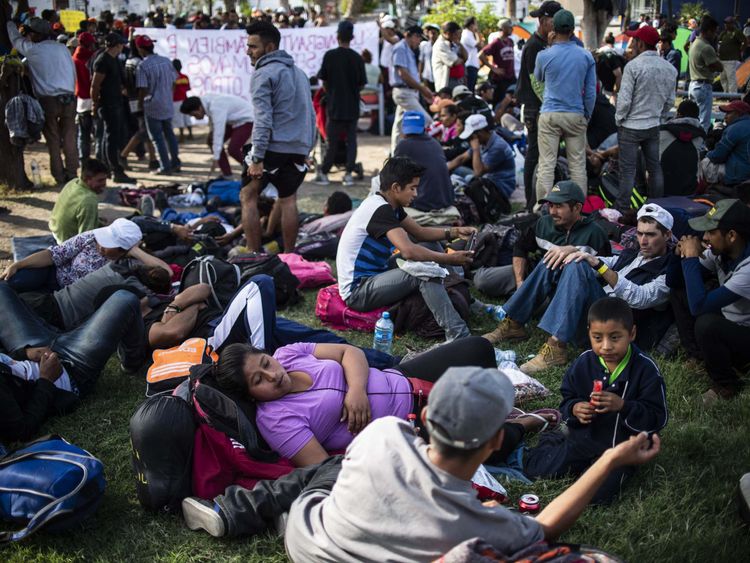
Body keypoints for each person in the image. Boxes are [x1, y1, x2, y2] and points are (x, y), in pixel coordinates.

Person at [277, 366, 660, 559]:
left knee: (332, 470)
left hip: (305, 535)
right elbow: (545, 528)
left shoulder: (384, 432)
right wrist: (609, 459)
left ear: (424, 418)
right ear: (497, 439)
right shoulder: (478, 522)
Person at [212, 336, 509, 468]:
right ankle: (518, 423)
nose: (272, 374)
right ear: (251, 395)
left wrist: (356, 391)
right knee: (486, 442)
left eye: (265, 362)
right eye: (258, 380)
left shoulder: (287, 354)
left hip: (404, 378)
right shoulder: (274, 420)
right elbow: (322, 466)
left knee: (478, 348)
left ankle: (480, 404)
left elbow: (348, 353)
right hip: (410, 427)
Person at [484, 204, 674, 374]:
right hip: (595, 312)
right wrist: (573, 250)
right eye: (640, 233)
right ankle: (513, 323)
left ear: (667, 235)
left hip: (613, 327)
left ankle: (556, 346)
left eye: (650, 235)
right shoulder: (635, 254)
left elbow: (640, 298)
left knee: (578, 265)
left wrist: (594, 263)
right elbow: (609, 261)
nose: (643, 240)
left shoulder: (670, 270)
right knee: (558, 257)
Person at [523, 296, 668, 504]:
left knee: (595, 496)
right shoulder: (584, 362)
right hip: (584, 439)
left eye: (615, 337)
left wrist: (624, 406)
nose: (606, 346)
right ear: (589, 334)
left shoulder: (646, 370)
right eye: (597, 338)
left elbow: (658, 419)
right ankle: (555, 440)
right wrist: (574, 408)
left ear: (632, 334)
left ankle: (594, 467)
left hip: (621, 450)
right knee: (537, 468)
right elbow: (568, 397)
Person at [336, 157, 474, 342]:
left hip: (377, 273)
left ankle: (467, 299)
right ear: (395, 188)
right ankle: (458, 334)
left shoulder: (389, 204)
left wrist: (455, 231)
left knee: (430, 246)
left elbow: (421, 233)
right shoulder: (380, 210)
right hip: (358, 291)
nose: (416, 194)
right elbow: (408, 251)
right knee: (424, 273)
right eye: (412, 188)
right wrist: (449, 258)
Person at [236, 21, 314, 254]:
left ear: (269, 48)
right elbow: (309, 114)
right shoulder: (299, 73)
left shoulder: (263, 73)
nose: (248, 51)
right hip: (298, 148)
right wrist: (307, 149)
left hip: (271, 148)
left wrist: (257, 157)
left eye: (253, 46)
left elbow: (263, 119)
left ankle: (253, 254)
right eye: (248, 46)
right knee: (288, 198)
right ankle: (291, 257)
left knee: (247, 195)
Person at [667, 199, 750, 405]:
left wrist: (691, 258)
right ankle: (698, 357)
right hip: (734, 324)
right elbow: (674, 281)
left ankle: (726, 384)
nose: (704, 237)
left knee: (707, 323)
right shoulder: (723, 252)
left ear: (731, 236)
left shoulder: (748, 269)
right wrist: (679, 255)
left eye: (711, 232)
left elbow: (699, 307)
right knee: (679, 292)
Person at [0, 284, 146, 398]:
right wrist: (46, 380)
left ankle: (52, 328)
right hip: (68, 371)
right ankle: (132, 362)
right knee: (125, 298)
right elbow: (21, 428)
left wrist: (24, 352)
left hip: (31, 348)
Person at [473, 181, 609, 298]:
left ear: (577, 208)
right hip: (536, 272)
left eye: (559, 206)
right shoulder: (543, 223)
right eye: (551, 205)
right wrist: (520, 282)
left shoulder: (595, 233)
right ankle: (524, 293)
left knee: (548, 303)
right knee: (482, 280)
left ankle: (530, 298)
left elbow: (605, 273)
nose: (552, 212)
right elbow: (520, 247)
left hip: (567, 288)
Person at [533, 9, 596, 208]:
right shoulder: (585, 56)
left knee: (547, 164)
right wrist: (586, 115)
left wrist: (549, 46)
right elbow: (591, 92)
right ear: (573, 30)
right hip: (575, 113)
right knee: (577, 165)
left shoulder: (544, 55)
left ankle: (543, 207)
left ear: (553, 28)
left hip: (550, 113)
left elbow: (539, 77)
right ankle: (578, 208)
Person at [6, 17, 78, 184]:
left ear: (35, 34)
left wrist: (9, 23)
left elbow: (15, 39)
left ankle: (59, 176)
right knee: (69, 137)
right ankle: (73, 174)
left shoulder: (33, 50)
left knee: (53, 139)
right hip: (69, 98)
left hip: (48, 101)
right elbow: (72, 73)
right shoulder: (63, 49)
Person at [614, 25, 677, 212]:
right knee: (654, 168)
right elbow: (670, 101)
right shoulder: (669, 69)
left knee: (628, 171)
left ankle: (623, 208)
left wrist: (619, 119)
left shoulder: (633, 66)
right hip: (653, 125)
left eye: (634, 41)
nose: (633, 44)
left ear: (641, 43)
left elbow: (624, 101)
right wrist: (660, 116)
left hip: (630, 125)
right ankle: (657, 206)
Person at [0, 218, 142, 293]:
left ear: (123, 250)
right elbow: (53, 254)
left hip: (65, 302)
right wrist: (17, 264)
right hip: (52, 275)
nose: (101, 245)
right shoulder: (91, 237)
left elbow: (163, 272)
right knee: (11, 282)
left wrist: (136, 251)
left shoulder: (127, 266)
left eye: (108, 244)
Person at [516, 1, 561, 210]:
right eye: (554, 20)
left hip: (543, 108)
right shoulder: (534, 46)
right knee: (534, 156)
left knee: (544, 157)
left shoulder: (547, 45)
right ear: (544, 21)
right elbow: (538, 84)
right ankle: (530, 203)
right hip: (535, 109)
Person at [316, 21, 366, 187]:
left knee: (332, 142)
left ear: (337, 37)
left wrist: (331, 93)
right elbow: (362, 84)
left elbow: (324, 81)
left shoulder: (330, 56)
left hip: (335, 106)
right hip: (352, 106)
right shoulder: (357, 58)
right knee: (352, 141)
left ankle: (324, 172)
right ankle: (348, 174)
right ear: (351, 38)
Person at [92, 32, 134, 184]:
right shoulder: (103, 60)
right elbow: (95, 85)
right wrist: (95, 104)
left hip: (116, 102)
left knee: (110, 137)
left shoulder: (113, 59)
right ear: (116, 45)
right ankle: (115, 170)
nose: (123, 46)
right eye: (121, 44)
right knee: (111, 138)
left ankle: (109, 168)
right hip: (108, 104)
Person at [135, 34, 181, 174]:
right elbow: (174, 81)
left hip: (152, 105)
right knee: (170, 135)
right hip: (167, 103)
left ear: (141, 49)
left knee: (157, 139)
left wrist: (140, 104)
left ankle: (165, 167)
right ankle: (175, 163)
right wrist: (167, 95)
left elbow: (143, 89)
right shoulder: (166, 61)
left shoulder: (142, 66)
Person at [180, 94, 254, 178]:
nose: (194, 117)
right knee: (212, 140)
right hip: (232, 120)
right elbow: (214, 127)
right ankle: (227, 174)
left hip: (247, 120)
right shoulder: (205, 102)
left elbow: (219, 133)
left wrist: (216, 157)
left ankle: (254, 170)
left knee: (233, 149)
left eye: (194, 115)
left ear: (199, 108)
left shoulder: (215, 107)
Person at [393, 112, 454, 212]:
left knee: (382, 182)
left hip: (423, 203)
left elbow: (393, 175)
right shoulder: (435, 143)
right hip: (446, 200)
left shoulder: (404, 145)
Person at [447, 114, 516, 199]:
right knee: (455, 169)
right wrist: (444, 170)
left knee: (468, 180)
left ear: (480, 133)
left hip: (500, 187)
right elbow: (462, 158)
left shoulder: (498, 146)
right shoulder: (483, 141)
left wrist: (476, 149)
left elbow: (478, 172)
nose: (470, 139)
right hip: (487, 179)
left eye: (471, 136)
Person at [390, 25, 434, 155]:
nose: (419, 41)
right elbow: (403, 74)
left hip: (408, 92)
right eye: (418, 37)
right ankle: (426, 154)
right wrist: (422, 89)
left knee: (399, 128)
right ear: (409, 35)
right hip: (404, 93)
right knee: (427, 121)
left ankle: (395, 156)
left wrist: (421, 89)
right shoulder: (400, 48)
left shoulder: (408, 49)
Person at [48, 158, 109, 243]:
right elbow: (85, 239)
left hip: (55, 230)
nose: (104, 184)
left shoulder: (74, 182)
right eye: (100, 180)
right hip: (65, 241)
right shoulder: (89, 200)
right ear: (88, 179)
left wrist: (98, 223)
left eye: (105, 179)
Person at [659, 99, 706, 196]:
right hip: (690, 191)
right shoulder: (701, 137)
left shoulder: (661, 131)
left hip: (661, 189)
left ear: (678, 114)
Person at [698, 100, 750, 186]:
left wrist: (706, 154)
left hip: (739, 175)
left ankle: (702, 191)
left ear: (739, 114)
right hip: (745, 170)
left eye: (729, 113)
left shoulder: (734, 128)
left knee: (704, 163)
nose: (725, 117)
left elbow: (718, 156)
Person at [688, 16, 723, 132]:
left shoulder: (694, 43)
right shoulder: (706, 48)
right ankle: (701, 147)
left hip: (693, 85)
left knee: (692, 119)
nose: (715, 35)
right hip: (703, 86)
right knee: (704, 121)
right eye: (714, 32)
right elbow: (719, 67)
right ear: (708, 31)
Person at [71, 32, 98, 164]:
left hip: (81, 100)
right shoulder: (93, 58)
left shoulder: (73, 58)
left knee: (83, 133)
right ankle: (99, 158)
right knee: (97, 132)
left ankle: (83, 159)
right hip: (93, 98)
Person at [479, 18, 516, 105]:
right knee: (500, 103)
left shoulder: (510, 41)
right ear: (503, 28)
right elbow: (481, 55)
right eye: (509, 27)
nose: (512, 29)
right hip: (500, 79)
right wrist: (494, 69)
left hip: (511, 77)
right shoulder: (496, 42)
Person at [432, 21, 468, 92]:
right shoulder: (440, 45)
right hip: (447, 81)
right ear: (448, 33)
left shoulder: (453, 43)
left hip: (458, 80)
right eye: (456, 34)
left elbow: (466, 57)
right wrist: (461, 60)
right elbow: (455, 62)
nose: (458, 36)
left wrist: (460, 44)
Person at [718, 17, 744, 94]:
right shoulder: (723, 33)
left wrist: (741, 51)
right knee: (723, 78)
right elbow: (719, 41)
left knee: (731, 78)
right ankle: (725, 94)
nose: (726, 25)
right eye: (725, 23)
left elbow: (744, 41)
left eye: (728, 23)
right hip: (722, 58)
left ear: (732, 23)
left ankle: (732, 95)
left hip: (731, 59)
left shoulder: (737, 32)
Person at [171, 59, 193, 142]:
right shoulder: (185, 77)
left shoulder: (172, 78)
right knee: (187, 117)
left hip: (176, 100)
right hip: (185, 99)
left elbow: (172, 90)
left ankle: (182, 136)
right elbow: (188, 88)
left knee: (179, 117)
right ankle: (190, 134)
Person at [460, 17, 482, 93]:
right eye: (476, 24)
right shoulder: (466, 34)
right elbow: (479, 45)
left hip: (472, 65)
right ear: (471, 25)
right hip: (470, 65)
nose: (477, 26)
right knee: (470, 89)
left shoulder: (470, 34)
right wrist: (477, 33)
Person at [418, 23, 440, 91]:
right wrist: (420, 73)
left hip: (438, 75)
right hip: (427, 76)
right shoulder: (424, 46)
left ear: (438, 34)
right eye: (430, 33)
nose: (432, 35)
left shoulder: (441, 46)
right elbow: (421, 61)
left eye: (434, 33)